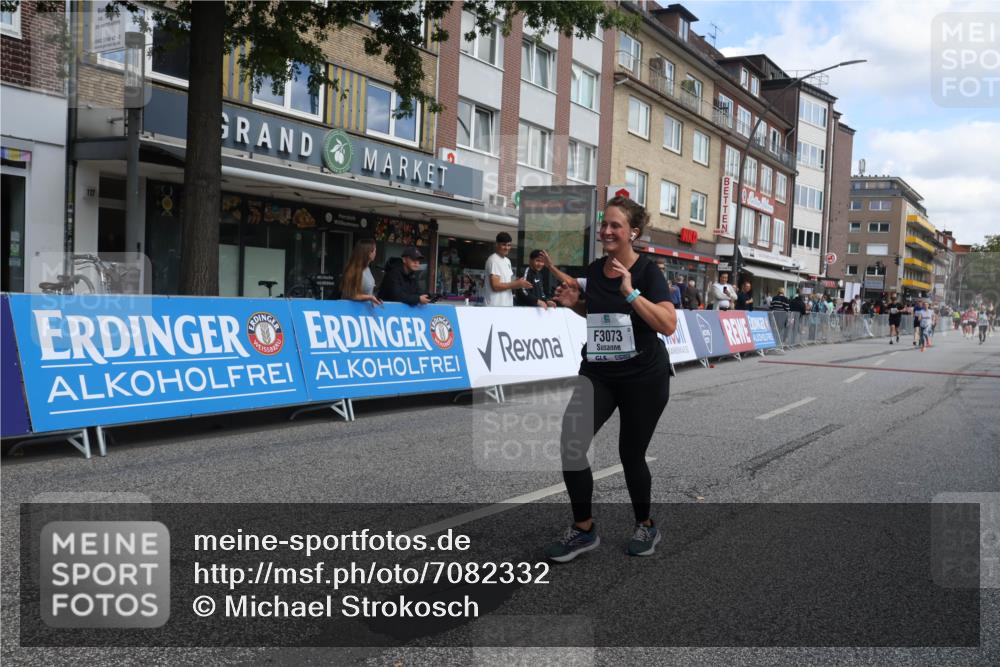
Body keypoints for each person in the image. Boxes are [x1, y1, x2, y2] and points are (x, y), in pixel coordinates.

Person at [545, 196, 676, 562]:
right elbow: (602, 318)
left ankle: (646, 524)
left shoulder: (648, 273)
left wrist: (631, 291)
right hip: (600, 371)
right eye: (604, 224)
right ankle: (584, 529)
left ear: (633, 232)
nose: (606, 230)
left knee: (630, 454)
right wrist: (576, 305)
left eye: (615, 225)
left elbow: (667, 323)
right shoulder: (595, 268)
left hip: (643, 377)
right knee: (572, 443)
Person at [484, 232, 532, 307]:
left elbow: (507, 283)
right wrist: (516, 284)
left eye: (509, 245)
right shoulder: (493, 260)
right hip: (495, 306)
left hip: (507, 305)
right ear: (496, 244)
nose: (506, 248)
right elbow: (495, 286)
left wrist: (519, 283)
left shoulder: (507, 261)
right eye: (503, 245)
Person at [340, 239, 383, 306]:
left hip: (364, 311)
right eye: (374, 250)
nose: (375, 253)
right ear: (368, 252)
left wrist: (375, 299)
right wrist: (370, 297)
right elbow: (351, 295)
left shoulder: (367, 268)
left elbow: (368, 292)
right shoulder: (353, 270)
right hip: (350, 311)